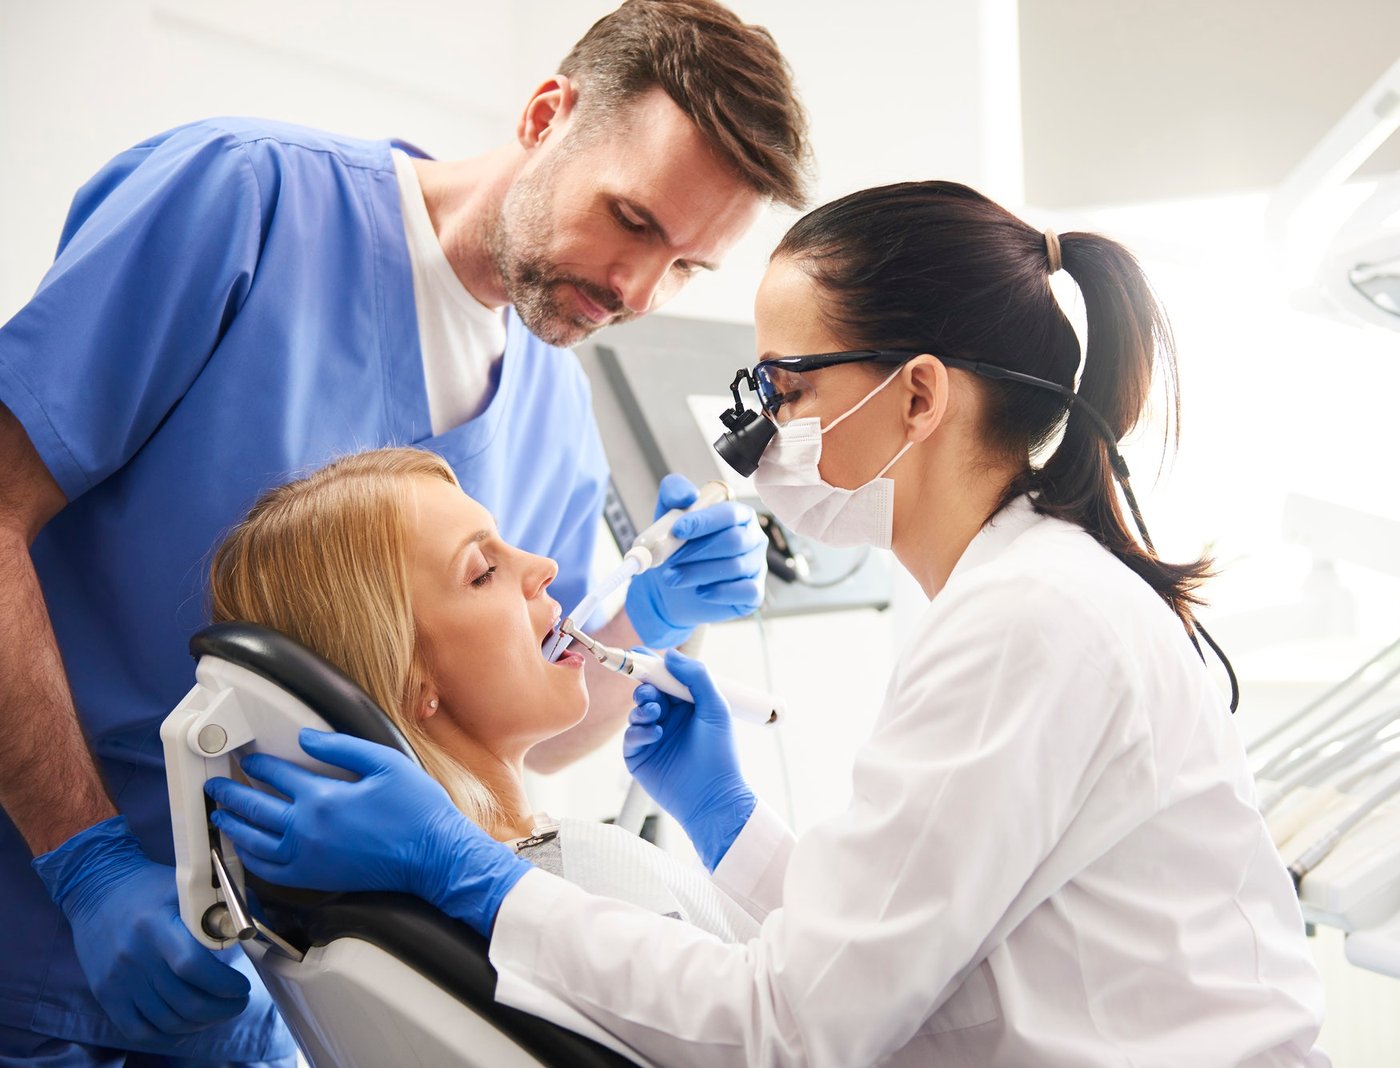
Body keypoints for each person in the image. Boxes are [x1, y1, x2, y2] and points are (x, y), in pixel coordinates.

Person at [207, 181, 1331, 1067]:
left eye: (784, 386)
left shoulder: (1030, 623)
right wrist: (724, 817)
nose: (757, 427)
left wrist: (470, 872)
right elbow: (874, 950)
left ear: (921, 397)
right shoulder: (1026, 600)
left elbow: (794, 1026)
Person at [0, 1, 806, 1064]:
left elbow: (511, 725)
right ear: (546, 112)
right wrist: (85, 860)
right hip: (38, 944)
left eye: (688, 268)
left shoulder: (551, 405)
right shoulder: (245, 204)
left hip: (276, 1004)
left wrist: (643, 620)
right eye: (633, 220)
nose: (635, 290)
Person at [208, 447, 758, 947]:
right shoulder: (566, 899)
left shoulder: (499, 899)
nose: (546, 569)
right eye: (483, 572)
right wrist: (728, 824)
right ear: (409, 682)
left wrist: (727, 824)